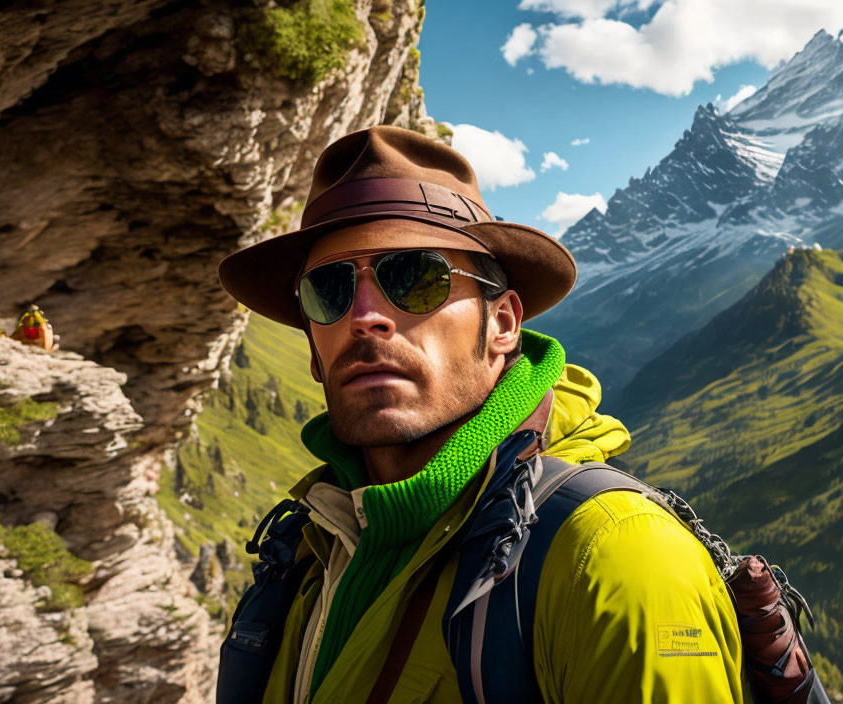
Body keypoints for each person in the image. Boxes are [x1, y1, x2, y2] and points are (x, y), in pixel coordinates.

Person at [216, 125, 752, 703]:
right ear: (313, 347)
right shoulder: (311, 545)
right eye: (329, 289)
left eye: (414, 276)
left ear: (502, 324)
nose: (365, 315)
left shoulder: (613, 557)